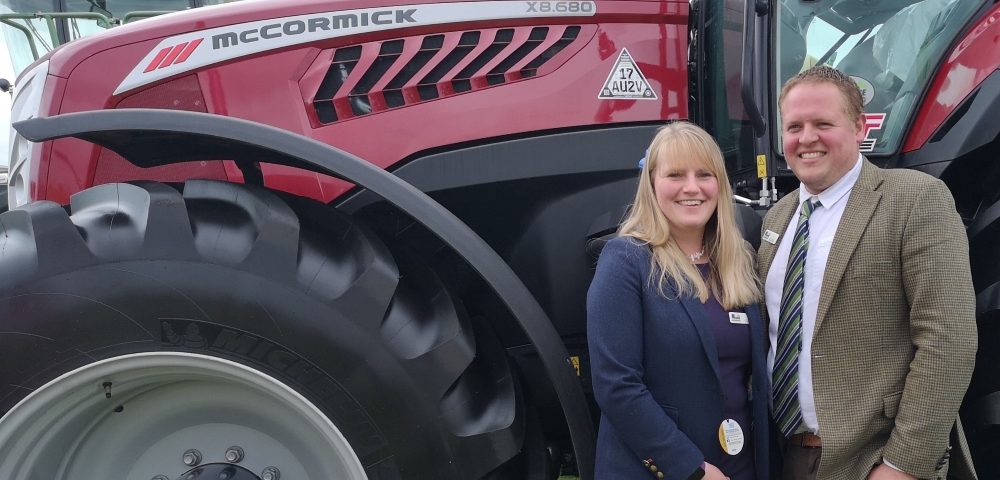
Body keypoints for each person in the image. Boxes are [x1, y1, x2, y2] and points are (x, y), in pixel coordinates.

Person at [759, 65, 978, 479]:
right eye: (794, 126)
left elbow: (948, 339)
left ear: (859, 126)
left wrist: (903, 465)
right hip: (788, 456)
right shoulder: (777, 218)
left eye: (823, 123)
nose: (806, 138)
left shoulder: (914, 199)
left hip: (874, 461)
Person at [588, 122, 770, 480]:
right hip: (669, 470)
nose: (692, 187)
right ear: (652, 184)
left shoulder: (740, 261)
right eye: (675, 174)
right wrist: (691, 468)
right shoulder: (625, 261)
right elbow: (616, 385)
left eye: (704, 174)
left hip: (740, 464)